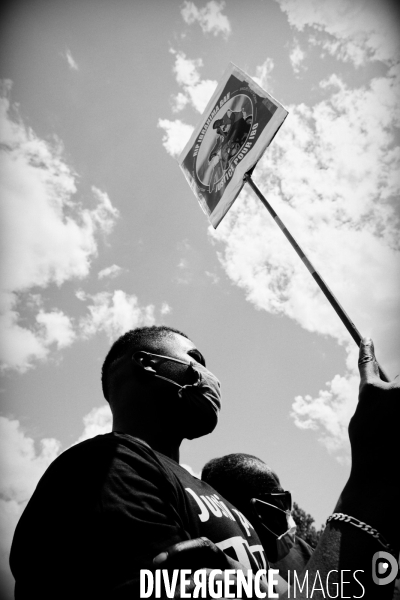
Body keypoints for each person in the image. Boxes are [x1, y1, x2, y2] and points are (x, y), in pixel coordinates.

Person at [10, 326, 269, 599]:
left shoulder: (217, 497)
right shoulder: (102, 467)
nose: (211, 377)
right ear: (147, 364)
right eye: (196, 359)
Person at [152, 339, 400, 599]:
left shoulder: (301, 554)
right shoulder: (208, 555)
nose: (288, 513)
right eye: (280, 501)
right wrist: (376, 477)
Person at [201, 453, 314, 581]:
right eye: (277, 503)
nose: (286, 514)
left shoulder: (306, 555)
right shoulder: (205, 561)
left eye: (285, 501)